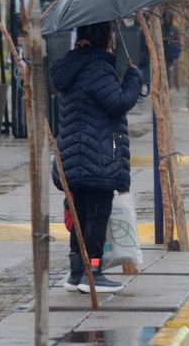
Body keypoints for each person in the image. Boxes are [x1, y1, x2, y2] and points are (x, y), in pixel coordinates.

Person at [50, 21, 143, 293]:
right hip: (99, 153)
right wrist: (133, 79)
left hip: (73, 154)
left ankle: (76, 272)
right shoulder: (98, 67)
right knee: (96, 216)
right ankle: (94, 270)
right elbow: (117, 103)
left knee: (79, 215)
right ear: (105, 37)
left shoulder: (69, 66)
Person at [162, 11, 181, 90]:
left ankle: (173, 87)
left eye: (168, 17)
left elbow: (177, 41)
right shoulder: (161, 28)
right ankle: (167, 87)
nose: (167, 19)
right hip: (164, 54)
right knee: (165, 71)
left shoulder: (174, 29)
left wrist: (176, 54)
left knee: (172, 71)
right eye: (166, 17)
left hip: (172, 54)